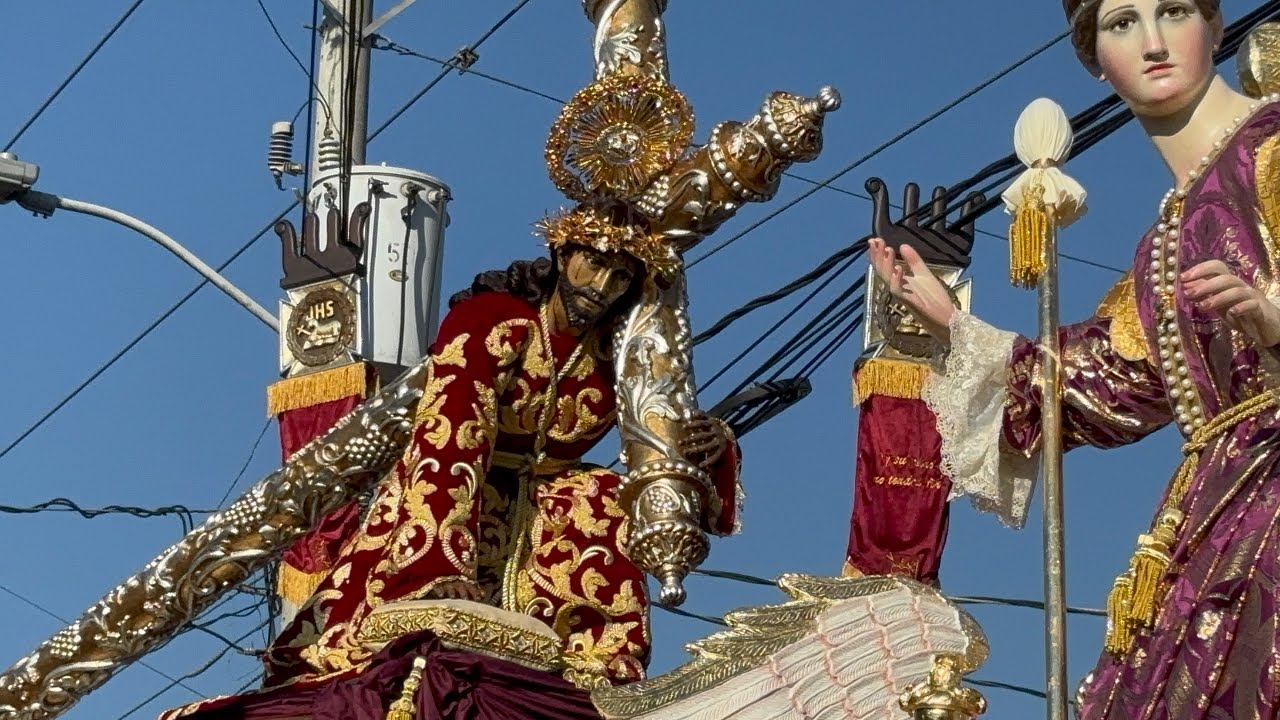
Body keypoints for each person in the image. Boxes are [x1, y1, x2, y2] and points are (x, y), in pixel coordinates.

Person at [162, 200, 742, 720]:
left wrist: (707, 447)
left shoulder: (617, 353)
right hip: (458, 492)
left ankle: (597, 664)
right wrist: (439, 565)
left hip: (557, 517)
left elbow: (655, 437)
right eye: (594, 262)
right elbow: (451, 435)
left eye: (621, 276)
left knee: (599, 493)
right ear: (563, 252)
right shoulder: (494, 321)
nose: (602, 284)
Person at [870, 1, 1280, 717]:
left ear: (1216, 27)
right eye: (1123, 23)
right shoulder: (1162, 244)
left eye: (1174, 11)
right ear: (1094, 57)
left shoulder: (1273, 148)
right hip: (1219, 514)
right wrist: (951, 321)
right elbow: (1108, 381)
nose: (1153, 43)